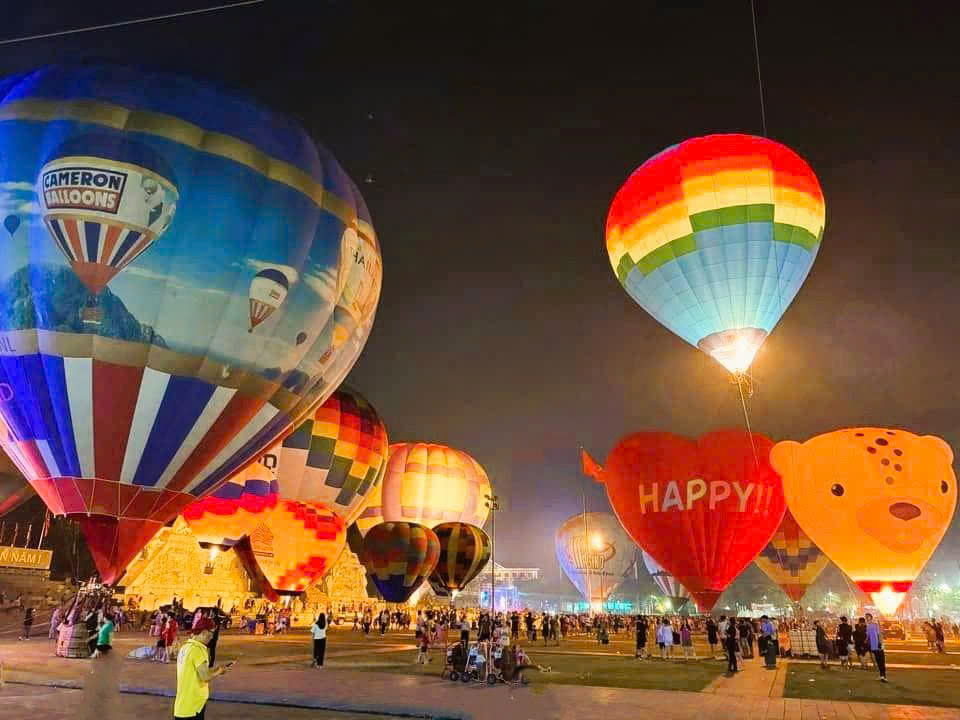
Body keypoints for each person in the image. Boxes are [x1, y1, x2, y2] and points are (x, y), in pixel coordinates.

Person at [174, 617, 232, 720]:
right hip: (193, 706)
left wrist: (216, 669)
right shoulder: (198, 650)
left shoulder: (185, 647)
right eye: (211, 633)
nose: (212, 637)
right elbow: (205, 676)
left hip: (182, 705)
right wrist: (219, 671)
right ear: (204, 632)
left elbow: (196, 672)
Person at [865, 613, 887, 682]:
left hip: (878, 645)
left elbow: (879, 634)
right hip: (873, 646)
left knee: (882, 661)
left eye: (868, 617)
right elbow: (867, 637)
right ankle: (881, 676)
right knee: (878, 661)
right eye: (866, 617)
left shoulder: (875, 624)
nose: (867, 618)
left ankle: (884, 676)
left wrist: (880, 643)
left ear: (871, 617)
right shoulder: (868, 626)